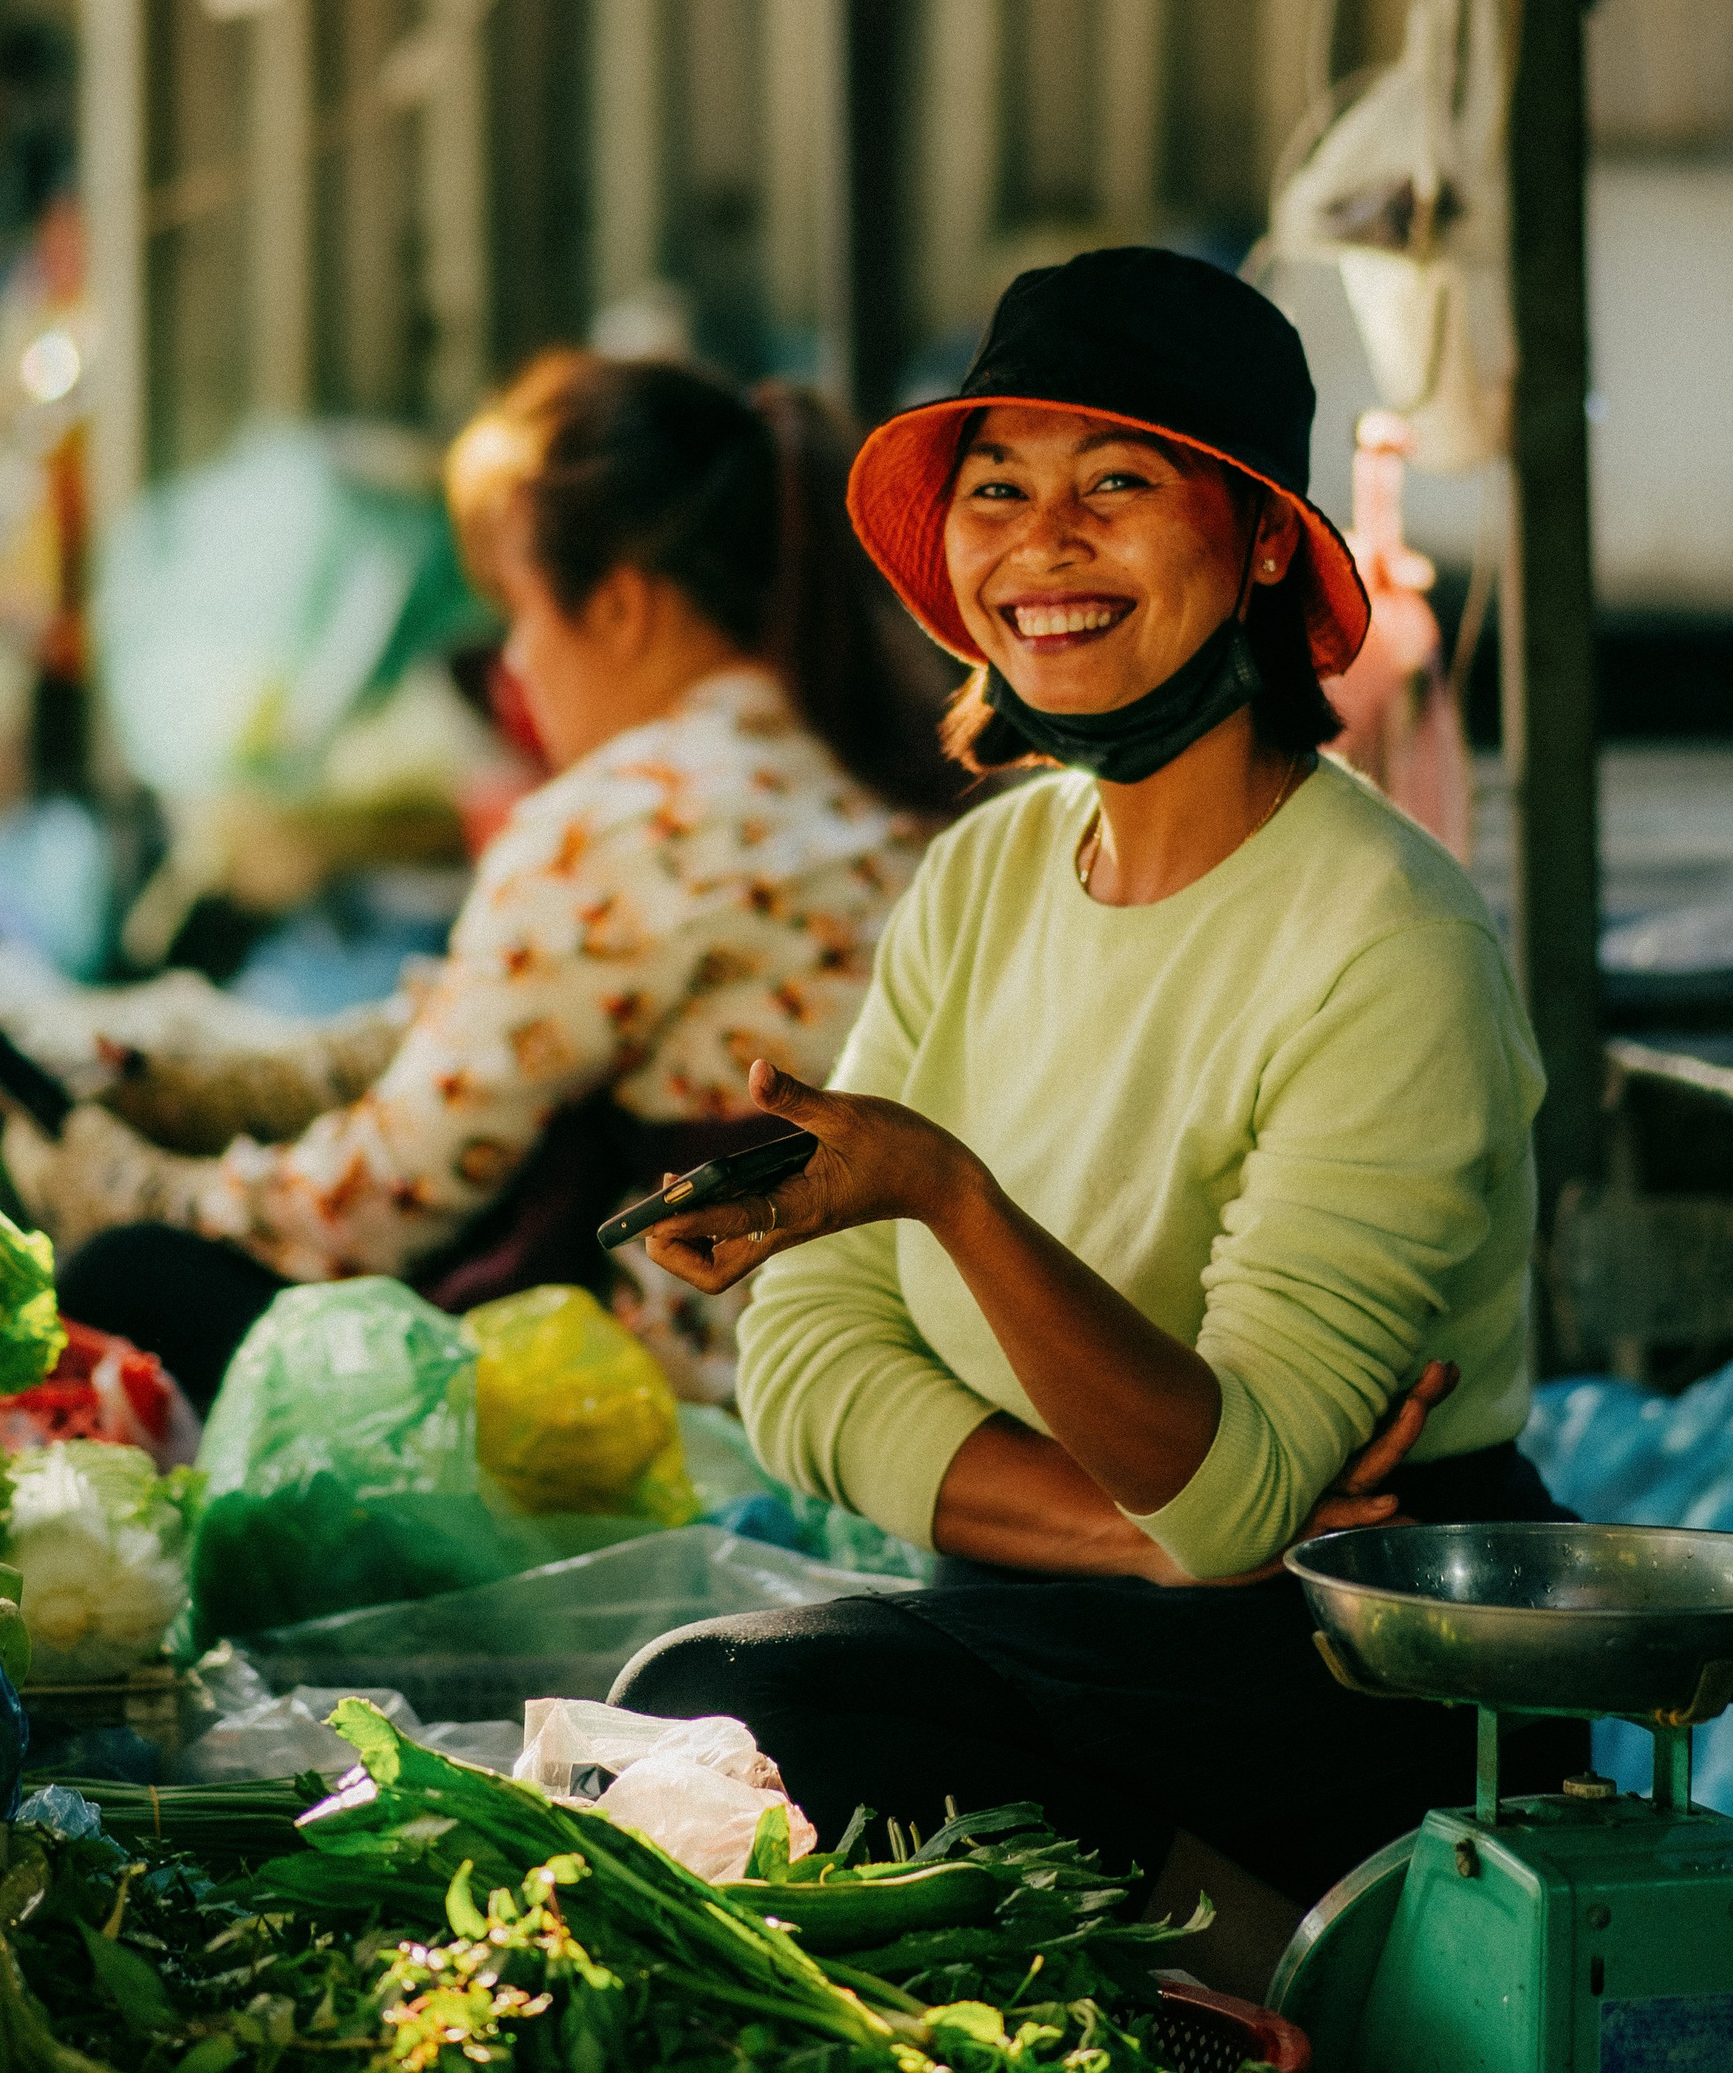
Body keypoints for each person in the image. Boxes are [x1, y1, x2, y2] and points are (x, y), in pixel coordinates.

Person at [612, 250, 1577, 1992]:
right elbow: (809, 1364)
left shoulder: (1388, 943)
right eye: (1000, 492)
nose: (1041, 546)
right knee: (693, 1701)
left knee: (785, 1708)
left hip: (1333, 1669)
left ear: (1265, 539)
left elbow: (1243, 1511)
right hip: (1053, 1627)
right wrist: (1129, 1522)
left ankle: (1291, 1991)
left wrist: (952, 1202)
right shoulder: (983, 876)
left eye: (1116, 486)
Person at [3, 352, 958, 1410]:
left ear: (625, 607)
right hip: (890, 1356)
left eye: (520, 611)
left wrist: (121, 1180)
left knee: (131, 1280)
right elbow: (447, 1046)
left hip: (697, 1394)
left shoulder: (627, 818)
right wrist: (198, 1089)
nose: (514, 666)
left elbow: (371, 1202)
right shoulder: (862, 777)